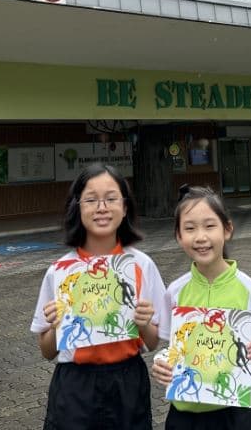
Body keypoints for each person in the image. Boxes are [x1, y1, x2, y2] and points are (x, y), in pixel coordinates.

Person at [31, 163, 166, 430]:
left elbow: (152, 343)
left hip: (128, 382)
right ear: (77, 208)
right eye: (91, 200)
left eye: (111, 199)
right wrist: (58, 326)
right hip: (74, 386)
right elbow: (47, 351)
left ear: (125, 207)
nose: (101, 207)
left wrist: (142, 322)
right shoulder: (60, 271)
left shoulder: (141, 265)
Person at [151, 185, 251, 430]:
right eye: (189, 228)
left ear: (227, 230)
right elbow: (173, 352)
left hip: (240, 416)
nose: (200, 236)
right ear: (179, 236)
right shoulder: (175, 292)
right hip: (186, 417)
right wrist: (162, 364)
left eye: (209, 226)